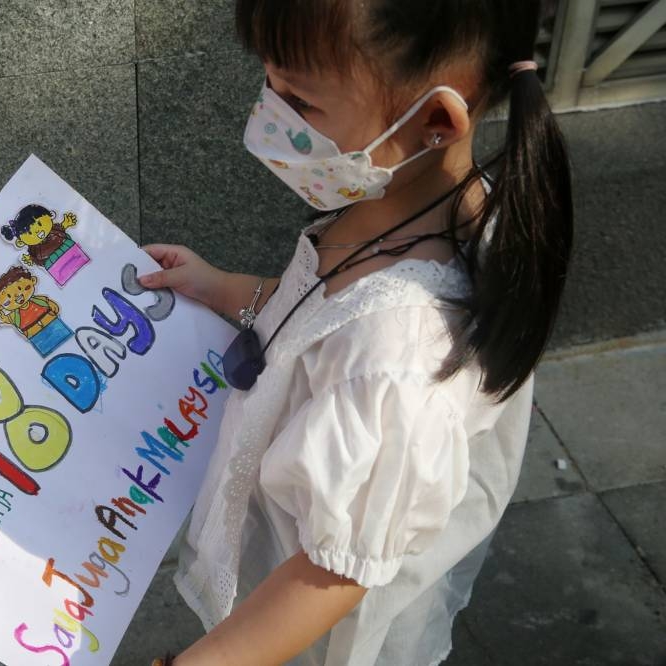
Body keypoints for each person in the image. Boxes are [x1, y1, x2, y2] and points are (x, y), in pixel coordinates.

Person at [138, 1, 572, 664]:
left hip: (310, 639)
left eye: (301, 102)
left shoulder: (399, 356)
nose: (271, 113)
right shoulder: (395, 207)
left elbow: (336, 568)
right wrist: (221, 288)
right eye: (269, 83)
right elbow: (309, 323)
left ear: (433, 120)